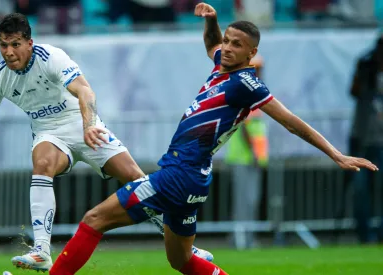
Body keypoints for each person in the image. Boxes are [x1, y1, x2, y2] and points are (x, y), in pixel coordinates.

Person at [48, 3, 378, 275]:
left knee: (94, 219)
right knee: (181, 261)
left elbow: (291, 122)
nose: (228, 48)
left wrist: (336, 154)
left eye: (237, 45)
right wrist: (212, 21)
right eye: (228, 41)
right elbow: (211, 45)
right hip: (192, 180)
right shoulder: (223, 66)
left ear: (253, 53)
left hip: (177, 176)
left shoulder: (246, 84)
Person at [0, 13, 213, 272]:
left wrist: (89, 126)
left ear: (29, 42)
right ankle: (42, 250)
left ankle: (185, 248)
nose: (9, 52)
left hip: (82, 123)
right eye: (3, 45)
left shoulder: (51, 57)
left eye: (15, 44)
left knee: (136, 180)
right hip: (49, 134)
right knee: (42, 163)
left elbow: (84, 90)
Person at [225, 54, 268, 249]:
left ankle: (245, 239)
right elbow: (244, 127)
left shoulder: (254, 91)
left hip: (251, 158)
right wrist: (254, 153)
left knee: (250, 200)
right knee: (244, 202)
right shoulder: (246, 91)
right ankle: (241, 240)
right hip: (244, 158)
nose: (258, 72)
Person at [348, 34, 383, 243]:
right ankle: (364, 233)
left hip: (379, 140)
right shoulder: (365, 68)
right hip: (361, 139)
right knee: (361, 190)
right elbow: (353, 91)